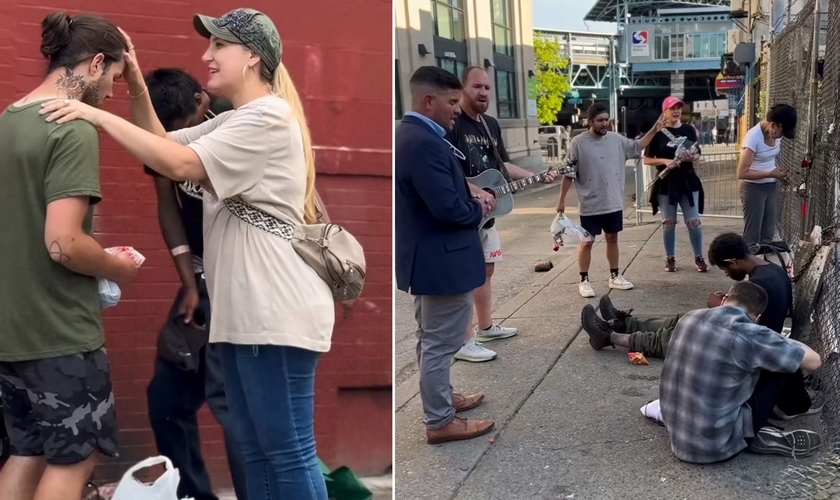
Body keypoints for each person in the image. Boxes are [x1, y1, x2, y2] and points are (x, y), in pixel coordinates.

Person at [42, 8, 338, 499]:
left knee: (287, 452)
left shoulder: (266, 117)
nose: (207, 55)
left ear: (250, 57)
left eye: (219, 46)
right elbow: (158, 146)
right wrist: (135, 80)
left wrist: (92, 111)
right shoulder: (240, 119)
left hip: (275, 310)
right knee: (260, 448)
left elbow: (179, 162)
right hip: (247, 312)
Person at [0, 12, 139, 500]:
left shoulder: (9, 119)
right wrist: (116, 265)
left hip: (10, 330)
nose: (113, 91)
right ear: (96, 63)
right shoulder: (72, 127)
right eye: (115, 78)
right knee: (76, 456)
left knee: (27, 451)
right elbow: (63, 243)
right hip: (58, 331)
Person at [142, 68, 247, 500]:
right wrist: (188, 280)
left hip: (241, 282)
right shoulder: (160, 135)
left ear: (203, 103)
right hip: (201, 280)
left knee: (232, 404)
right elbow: (166, 205)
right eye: (172, 134)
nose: (179, 141)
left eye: (184, 129)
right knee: (166, 400)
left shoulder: (234, 125)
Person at [583, 232, 822, 418]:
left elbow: (744, 328)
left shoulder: (761, 285)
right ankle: (623, 321)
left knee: (679, 334)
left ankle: (610, 335)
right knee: (685, 320)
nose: (727, 274)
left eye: (725, 268)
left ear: (734, 261)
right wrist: (723, 306)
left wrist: (720, 307)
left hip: (744, 344)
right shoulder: (770, 272)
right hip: (745, 338)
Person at [395, 66, 496, 444]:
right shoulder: (423, 142)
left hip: (429, 259)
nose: (458, 108)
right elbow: (448, 210)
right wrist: (481, 207)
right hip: (443, 261)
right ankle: (439, 420)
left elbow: (435, 190)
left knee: (430, 338)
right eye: (452, 102)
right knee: (441, 342)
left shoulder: (412, 136)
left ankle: (442, 400)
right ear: (428, 101)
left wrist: (465, 187)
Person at [447, 66, 557, 362]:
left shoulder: (490, 125)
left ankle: (485, 328)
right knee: (465, 275)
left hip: (488, 212)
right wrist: (473, 190)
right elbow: (447, 171)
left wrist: (538, 174)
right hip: (465, 210)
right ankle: (463, 340)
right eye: (476, 87)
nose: (483, 93)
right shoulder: (454, 122)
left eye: (487, 87)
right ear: (462, 88)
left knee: (487, 270)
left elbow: (503, 165)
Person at [659, 281, 823, 463]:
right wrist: (775, 338)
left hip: (677, 436)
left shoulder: (689, 318)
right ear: (757, 317)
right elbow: (814, 361)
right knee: (783, 363)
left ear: (724, 300)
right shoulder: (749, 335)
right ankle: (779, 416)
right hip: (717, 446)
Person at [557, 103, 664, 298]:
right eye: (600, 120)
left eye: (607, 120)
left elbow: (638, 146)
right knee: (587, 241)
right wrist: (561, 200)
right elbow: (569, 173)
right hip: (590, 204)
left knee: (612, 238)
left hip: (613, 201)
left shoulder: (617, 140)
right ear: (590, 122)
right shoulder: (578, 143)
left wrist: (655, 130)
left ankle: (615, 276)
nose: (604, 124)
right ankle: (584, 280)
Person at [644, 96, 707, 273]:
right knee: (668, 222)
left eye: (678, 107)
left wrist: (692, 157)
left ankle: (699, 257)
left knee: (693, 221)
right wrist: (665, 160)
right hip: (667, 183)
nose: (676, 111)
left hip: (688, 180)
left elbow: (697, 153)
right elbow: (647, 159)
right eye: (672, 108)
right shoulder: (657, 133)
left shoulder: (689, 129)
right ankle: (670, 259)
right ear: (665, 111)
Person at [738, 104, 797, 246]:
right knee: (753, 234)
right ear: (773, 125)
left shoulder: (776, 134)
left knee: (768, 232)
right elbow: (742, 172)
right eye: (781, 132)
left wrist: (780, 173)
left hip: (770, 185)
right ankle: (749, 264)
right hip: (753, 188)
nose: (780, 137)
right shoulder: (753, 138)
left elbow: (770, 159)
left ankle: (766, 261)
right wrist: (771, 173)